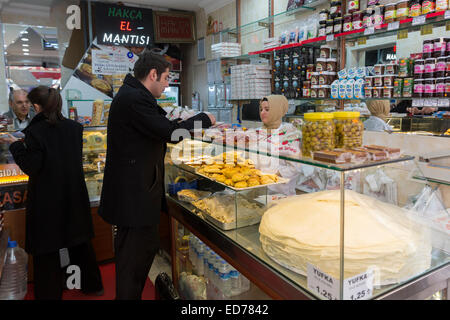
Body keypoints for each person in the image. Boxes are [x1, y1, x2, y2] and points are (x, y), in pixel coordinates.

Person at [98, 52, 215, 300]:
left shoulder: (135, 96)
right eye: (165, 78)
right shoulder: (134, 100)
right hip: (133, 200)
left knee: (139, 257)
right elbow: (170, 133)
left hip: (137, 196)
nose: (166, 84)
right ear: (152, 74)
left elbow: (160, 124)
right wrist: (203, 120)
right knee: (132, 265)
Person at [0, 86, 103, 299]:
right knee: (79, 242)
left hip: (48, 200)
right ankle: (92, 285)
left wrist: (16, 146)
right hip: (74, 195)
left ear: (37, 106)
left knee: (47, 250)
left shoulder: (35, 132)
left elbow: (32, 166)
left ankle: (50, 293)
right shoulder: (74, 128)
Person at [254, 95, 301, 195]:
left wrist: (273, 174)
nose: (262, 113)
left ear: (277, 110)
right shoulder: (258, 132)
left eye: (267, 109)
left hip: (280, 192)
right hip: (257, 190)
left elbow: (295, 167)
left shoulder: (289, 133)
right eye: (261, 109)